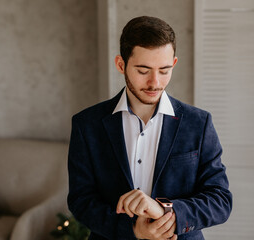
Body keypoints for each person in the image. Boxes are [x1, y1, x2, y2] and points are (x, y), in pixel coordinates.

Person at [67, 16, 232, 240]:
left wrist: (165, 211)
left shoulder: (199, 123)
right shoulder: (87, 125)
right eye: (143, 71)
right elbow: (81, 200)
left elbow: (220, 200)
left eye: (164, 70)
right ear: (121, 65)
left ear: (173, 64)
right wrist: (134, 230)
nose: (155, 82)